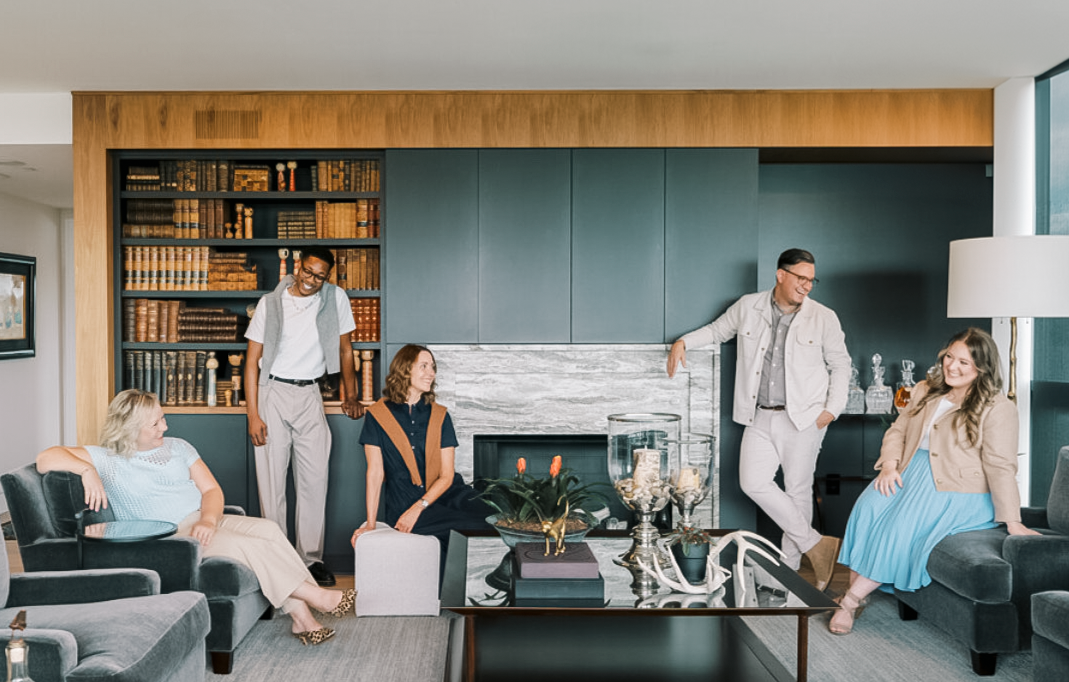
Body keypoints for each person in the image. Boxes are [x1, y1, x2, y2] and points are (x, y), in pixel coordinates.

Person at [36, 389, 355, 646]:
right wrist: (87, 469)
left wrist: (209, 520)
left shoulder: (178, 447)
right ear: (132, 428)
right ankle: (318, 599)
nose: (165, 426)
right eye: (156, 423)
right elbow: (45, 458)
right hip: (173, 536)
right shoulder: (107, 458)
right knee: (246, 546)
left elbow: (212, 490)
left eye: (162, 418)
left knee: (269, 531)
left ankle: (302, 619)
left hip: (206, 518)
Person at [829, 328, 1039, 634]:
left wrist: (1013, 520)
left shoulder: (998, 408)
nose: (952, 366)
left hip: (957, 489)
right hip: (910, 471)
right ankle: (859, 595)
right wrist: (889, 466)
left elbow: (1000, 465)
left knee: (899, 528)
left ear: (982, 367)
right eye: (949, 357)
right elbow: (898, 431)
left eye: (964, 363)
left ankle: (848, 602)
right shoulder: (926, 390)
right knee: (867, 509)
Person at [666, 248, 850, 590]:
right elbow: (717, 331)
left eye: (812, 280)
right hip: (759, 415)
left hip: (805, 417)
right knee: (752, 482)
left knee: (797, 491)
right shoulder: (748, 307)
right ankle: (817, 544)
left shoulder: (824, 317)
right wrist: (683, 342)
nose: (807, 286)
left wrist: (831, 410)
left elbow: (840, 364)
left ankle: (788, 574)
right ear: (781, 275)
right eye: (801, 278)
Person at [244, 245, 362, 587]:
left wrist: (350, 395)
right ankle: (278, 561)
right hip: (272, 393)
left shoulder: (335, 299)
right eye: (308, 272)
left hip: (311, 394)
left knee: (314, 480)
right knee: (272, 485)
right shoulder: (271, 304)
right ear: (298, 266)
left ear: (328, 276)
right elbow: (252, 362)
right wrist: (254, 414)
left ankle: (311, 560)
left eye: (320, 276)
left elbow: (345, 348)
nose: (312, 281)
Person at [350, 344, 490, 571]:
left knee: (498, 516)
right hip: (404, 501)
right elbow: (375, 473)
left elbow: (446, 476)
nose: (431, 373)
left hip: (446, 493)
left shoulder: (440, 415)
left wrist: (420, 507)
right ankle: (447, 592)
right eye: (423, 366)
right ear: (404, 369)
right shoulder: (377, 415)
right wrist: (371, 524)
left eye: (433, 367)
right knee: (465, 526)